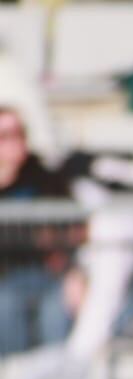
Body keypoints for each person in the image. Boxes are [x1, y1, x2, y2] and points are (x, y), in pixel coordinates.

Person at [0, 108, 75, 356]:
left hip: (47, 274)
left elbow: (73, 228)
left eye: (19, 134)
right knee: (6, 304)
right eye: (5, 136)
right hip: (6, 279)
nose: (15, 143)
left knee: (57, 308)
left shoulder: (43, 177)